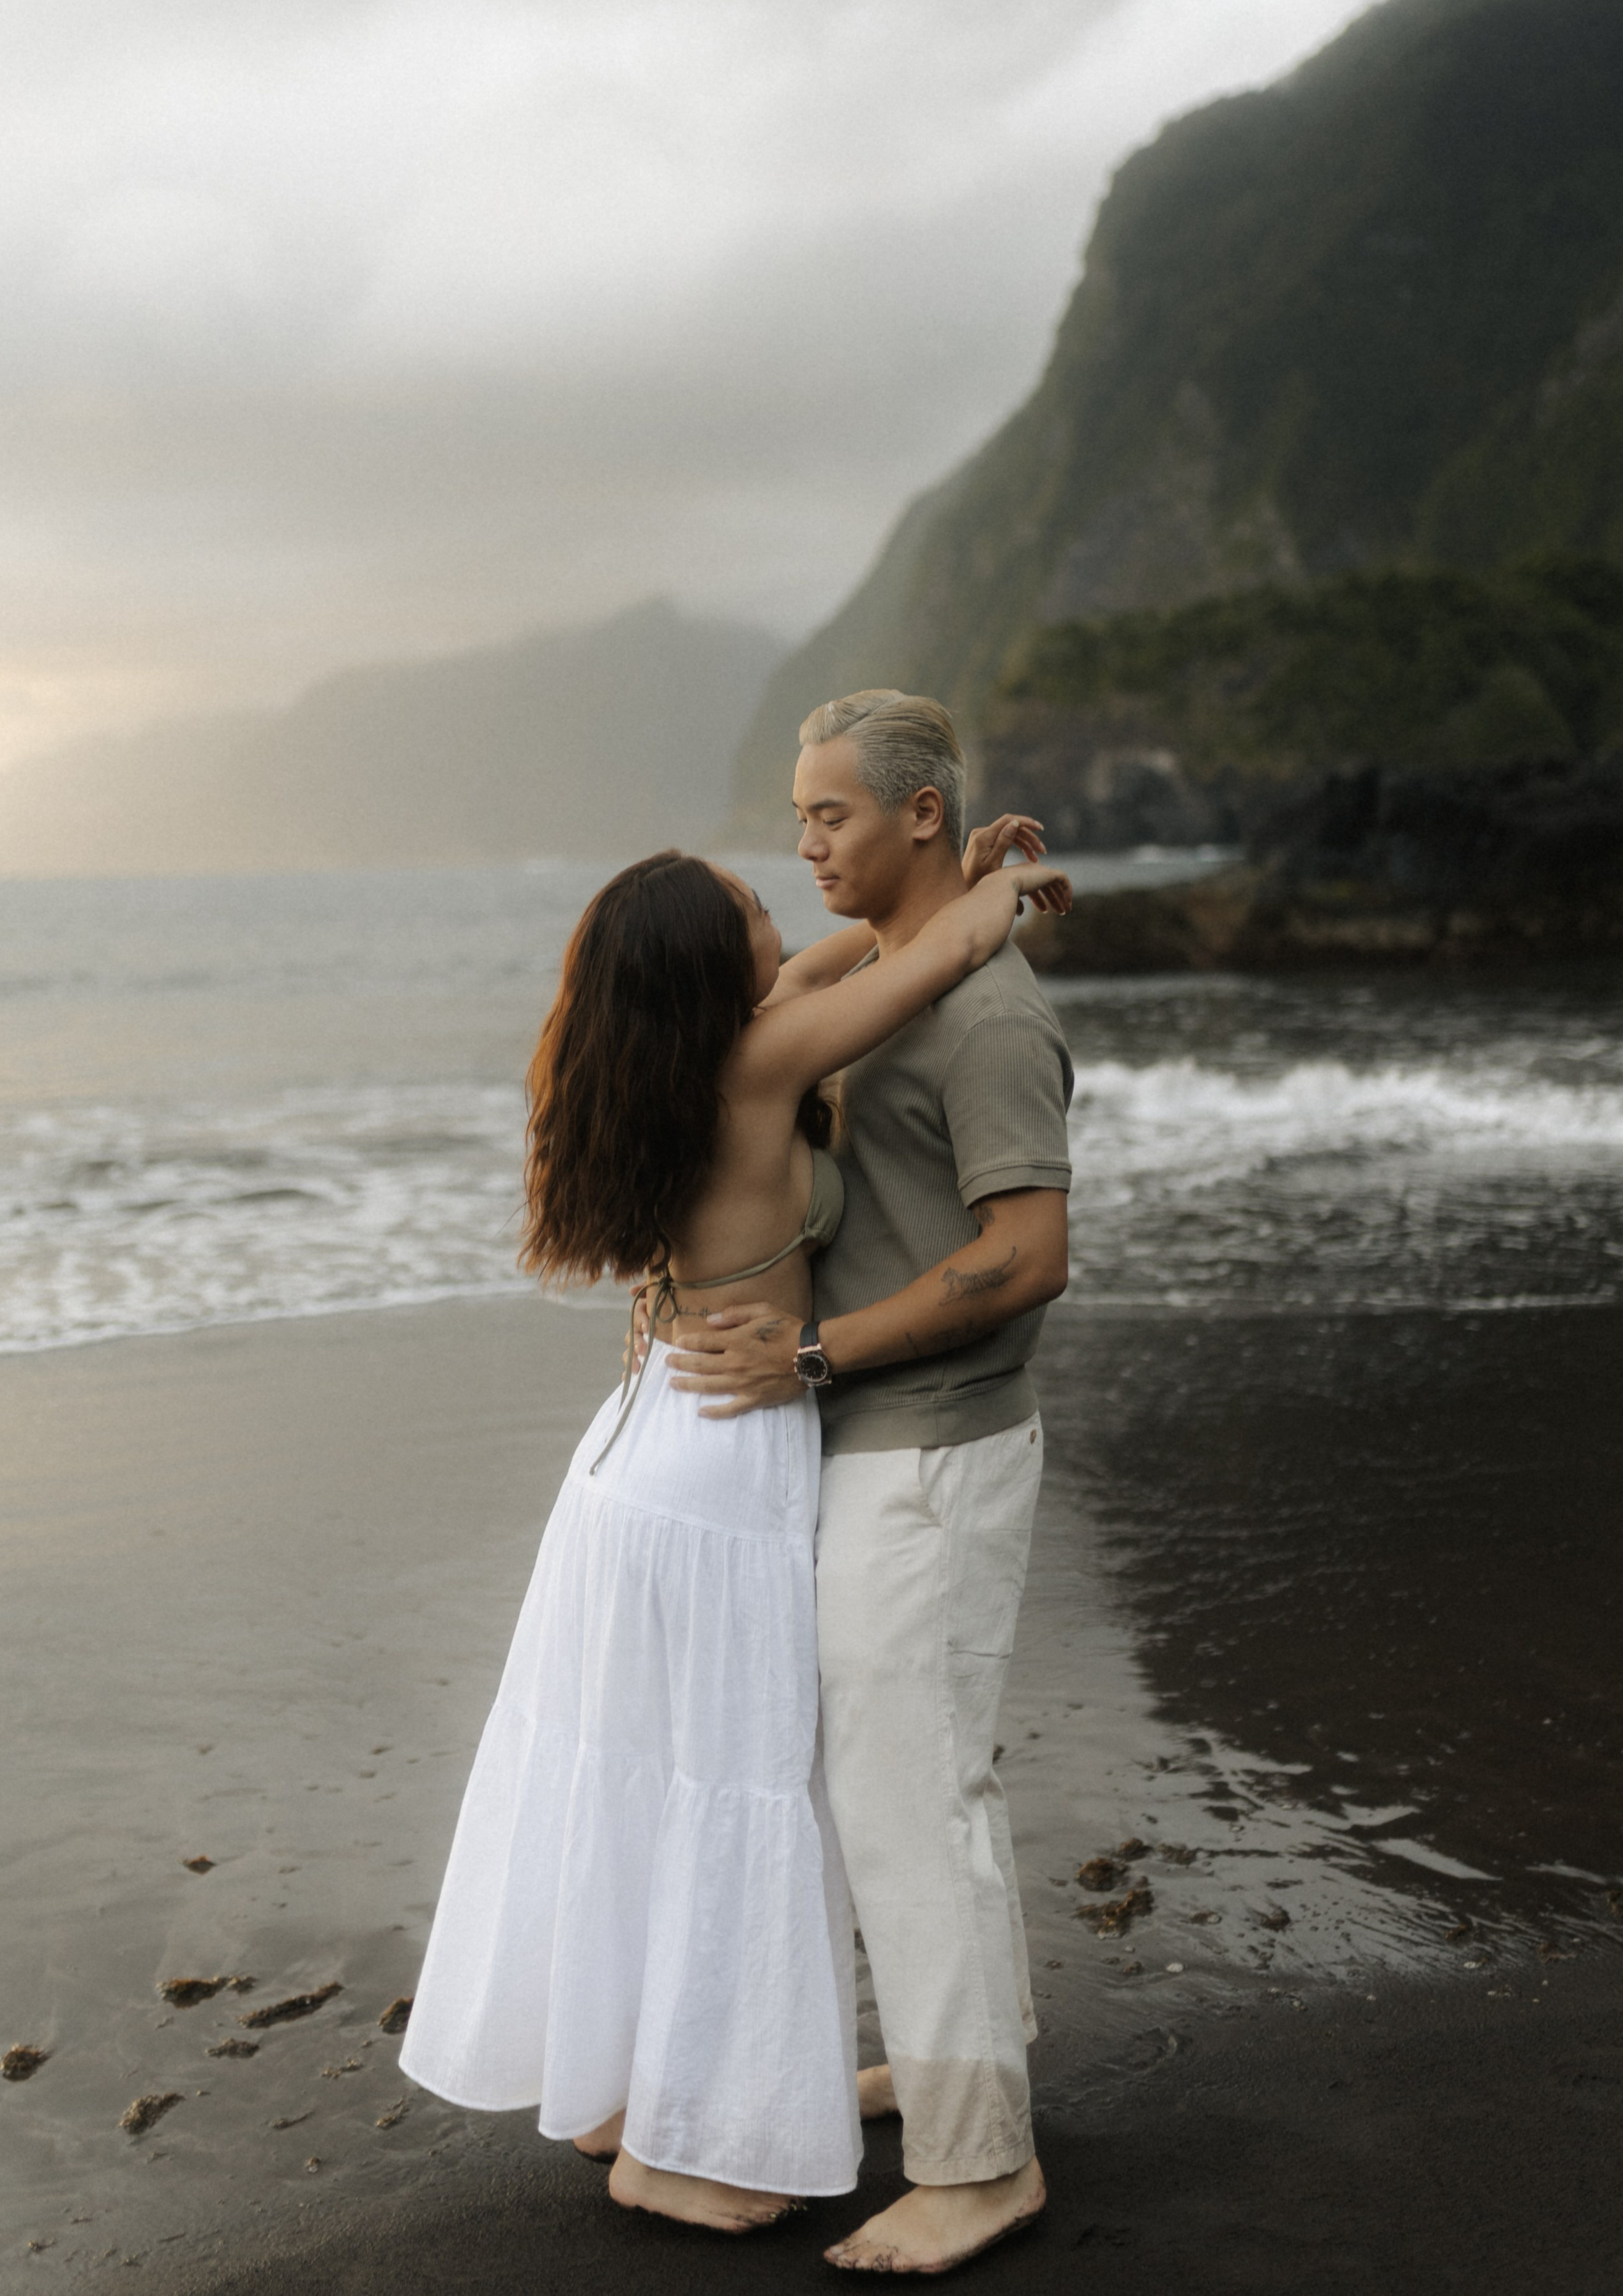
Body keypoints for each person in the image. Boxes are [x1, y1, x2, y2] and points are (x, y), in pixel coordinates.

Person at [396, 839, 1065, 2235]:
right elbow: (929, 962)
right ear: (713, 968)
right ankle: (682, 2155)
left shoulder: (654, 1063)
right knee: (736, 1779)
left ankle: (615, 2093)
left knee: (634, 1769)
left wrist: (962, 866)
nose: (788, 912)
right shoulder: (757, 1069)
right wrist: (1006, 889)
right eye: (755, 910)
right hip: (722, 1465)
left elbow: (845, 958)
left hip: (631, 1452)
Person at [666, 690, 1075, 2276]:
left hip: (936, 1450)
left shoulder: (984, 1019)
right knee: (899, 1786)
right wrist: (966, 888)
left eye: (829, 812)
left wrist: (816, 1356)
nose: (802, 836)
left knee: (915, 1801)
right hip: (874, 1448)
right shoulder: (909, 980)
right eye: (797, 811)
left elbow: (1027, 1255)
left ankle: (984, 2167)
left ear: (913, 814)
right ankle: (953, 2058)